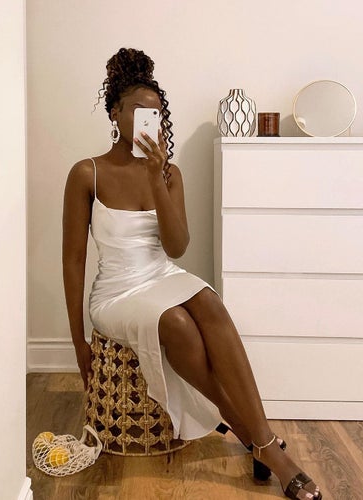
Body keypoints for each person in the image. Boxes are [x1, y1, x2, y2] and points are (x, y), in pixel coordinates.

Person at [62, 47, 322, 500]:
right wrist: (78, 340)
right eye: (138, 111)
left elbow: (178, 247)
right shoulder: (87, 173)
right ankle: (263, 444)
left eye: (156, 113)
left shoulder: (169, 174)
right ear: (115, 113)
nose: (150, 120)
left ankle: (259, 440)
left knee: (208, 302)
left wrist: (155, 176)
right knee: (176, 323)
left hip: (161, 274)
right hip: (117, 293)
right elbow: (73, 260)